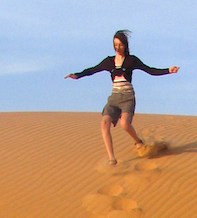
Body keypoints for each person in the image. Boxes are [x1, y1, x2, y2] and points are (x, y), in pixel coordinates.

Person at [65, 31, 179, 165]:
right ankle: (111, 159)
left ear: (125, 45)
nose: (117, 48)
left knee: (124, 123)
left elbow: (150, 70)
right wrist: (77, 75)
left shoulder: (132, 60)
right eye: (115, 45)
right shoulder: (108, 61)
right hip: (113, 99)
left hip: (127, 98)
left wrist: (168, 70)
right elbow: (92, 70)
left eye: (120, 45)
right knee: (104, 124)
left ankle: (138, 141)